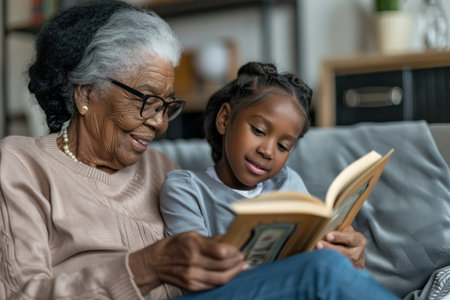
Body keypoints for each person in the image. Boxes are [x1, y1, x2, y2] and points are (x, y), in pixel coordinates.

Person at [0, 1, 399, 299]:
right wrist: (145, 267)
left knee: (328, 267)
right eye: (147, 101)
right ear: (87, 93)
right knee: (322, 274)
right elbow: (21, 293)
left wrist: (348, 261)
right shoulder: (22, 165)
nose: (159, 122)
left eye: (167, 106)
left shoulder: (158, 168)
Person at [160, 62, 366, 268]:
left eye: (283, 146)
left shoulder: (288, 183)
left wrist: (337, 247)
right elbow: (196, 268)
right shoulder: (186, 189)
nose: (267, 151)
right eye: (258, 131)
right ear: (224, 119)